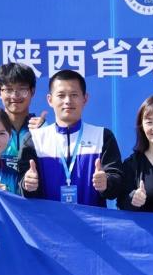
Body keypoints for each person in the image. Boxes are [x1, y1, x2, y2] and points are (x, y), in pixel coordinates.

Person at [17, 69, 123, 206]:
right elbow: (22, 188)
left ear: (85, 99)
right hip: (47, 220)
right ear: (50, 100)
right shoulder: (33, 140)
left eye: (74, 95)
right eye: (61, 95)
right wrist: (28, 185)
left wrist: (106, 183)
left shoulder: (102, 136)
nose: (68, 101)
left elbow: (117, 184)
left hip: (90, 220)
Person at [0, 62, 47, 172]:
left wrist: (46, 133)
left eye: (22, 89)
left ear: (32, 91)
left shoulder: (42, 129)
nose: (15, 95)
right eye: (9, 90)